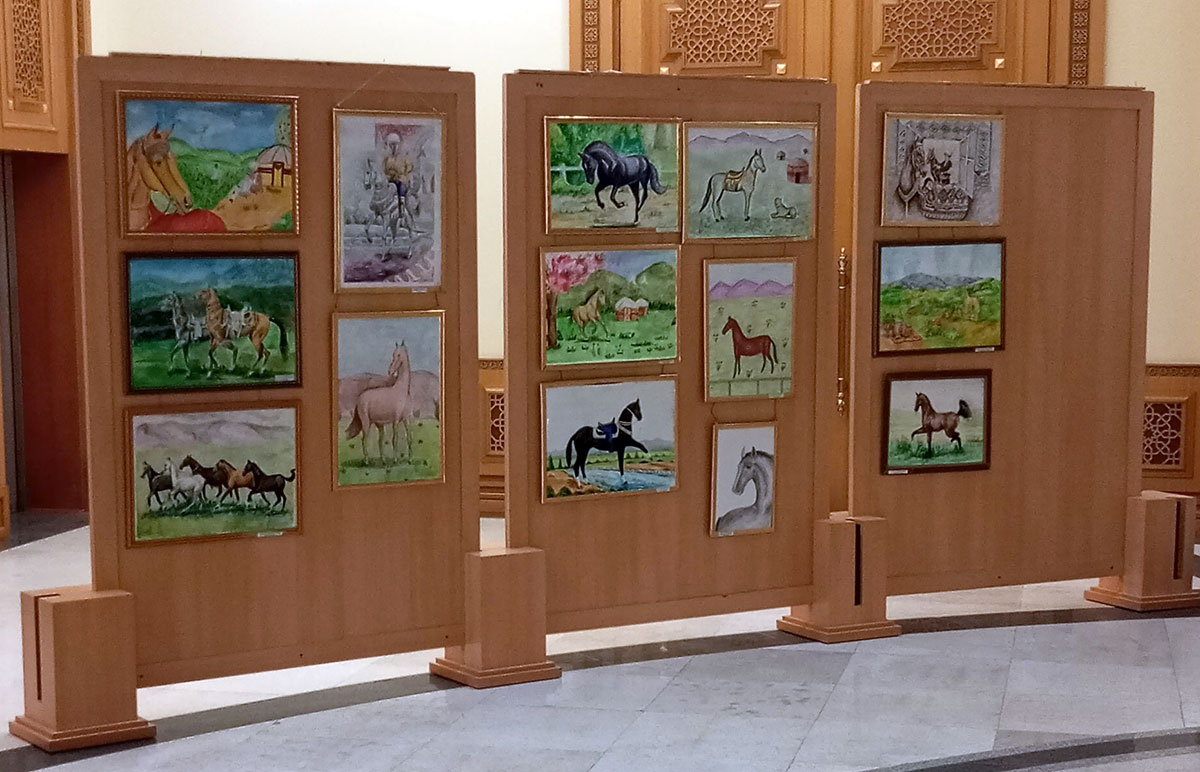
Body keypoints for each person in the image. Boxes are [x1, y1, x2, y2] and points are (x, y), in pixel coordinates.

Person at [382, 132, 414, 213]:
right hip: (390, 181)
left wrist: (404, 178)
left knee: (401, 187)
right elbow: (384, 171)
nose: (393, 147)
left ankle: (401, 208)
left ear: (399, 145)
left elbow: (409, 170)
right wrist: (388, 177)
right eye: (391, 145)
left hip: (401, 180)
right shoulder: (387, 159)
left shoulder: (404, 158)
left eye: (395, 144)